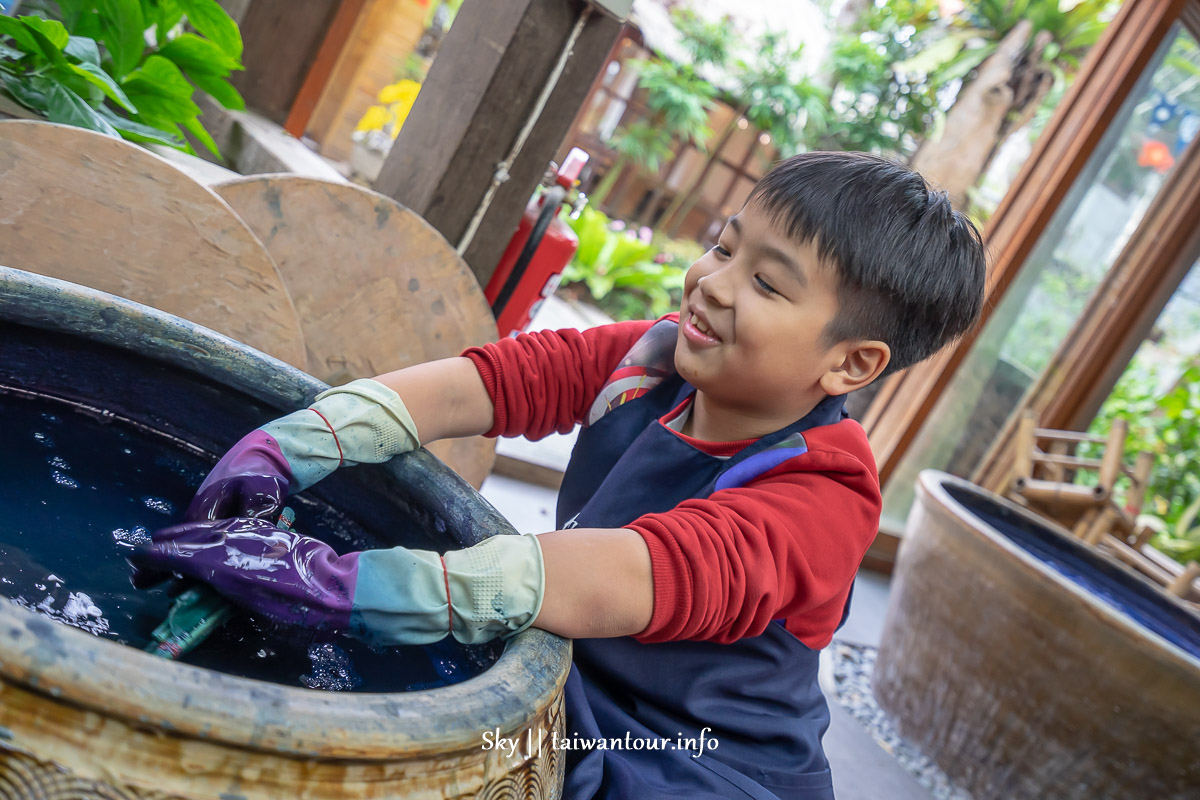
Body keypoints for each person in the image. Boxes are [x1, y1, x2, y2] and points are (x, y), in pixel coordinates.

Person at [132, 151, 986, 799]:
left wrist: (330, 584)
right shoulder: (653, 363)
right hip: (571, 678)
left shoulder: (820, 500)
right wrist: (298, 442)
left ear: (851, 363)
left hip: (685, 759)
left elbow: (617, 575)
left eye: (764, 282)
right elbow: (493, 380)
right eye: (723, 247)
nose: (712, 285)